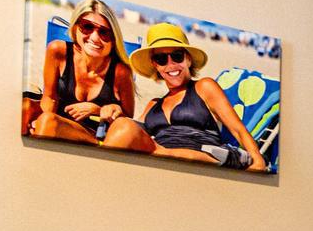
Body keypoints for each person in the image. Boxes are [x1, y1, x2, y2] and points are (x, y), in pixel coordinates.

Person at [104, 22, 268, 171]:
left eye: (177, 56)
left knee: (159, 151)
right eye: (161, 59)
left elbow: (238, 129)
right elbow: (129, 131)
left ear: (188, 59)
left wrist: (258, 160)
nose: (171, 64)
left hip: (200, 156)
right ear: (155, 65)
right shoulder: (153, 105)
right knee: (122, 125)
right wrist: (114, 111)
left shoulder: (204, 87)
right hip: (161, 163)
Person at [29, 0, 135, 143]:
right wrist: (41, 122)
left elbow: (128, 121)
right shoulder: (57, 51)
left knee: (48, 122)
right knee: (26, 107)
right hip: (54, 121)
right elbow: (50, 97)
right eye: (87, 26)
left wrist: (98, 110)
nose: (95, 38)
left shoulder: (120, 72)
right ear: (75, 27)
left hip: (92, 134)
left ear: (113, 38)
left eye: (104, 32)